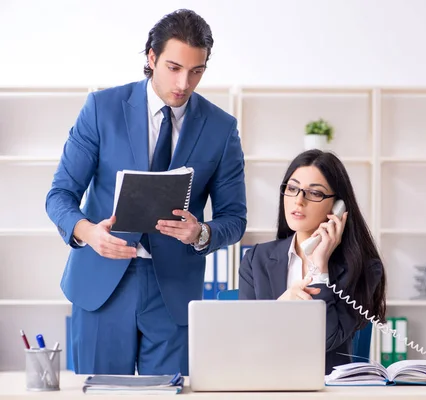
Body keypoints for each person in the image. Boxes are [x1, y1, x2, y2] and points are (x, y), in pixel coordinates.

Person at [45, 9, 246, 375]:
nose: (184, 83)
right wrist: (88, 233)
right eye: (174, 67)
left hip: (172, 292)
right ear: (151, 58)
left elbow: (235, 218)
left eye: (196, 71)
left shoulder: (221, 128)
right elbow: (59, 195)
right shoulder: (101, 109)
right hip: (102, 283)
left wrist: (201, 233)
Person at [238, 149, 387, 374]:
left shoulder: (364, 268)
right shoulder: (255, 259)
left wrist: (320, 269)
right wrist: (280, 307)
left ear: (338, 207)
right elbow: (245, 341)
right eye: (292, 188)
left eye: (315, 193)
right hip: (266, 383)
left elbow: (328, 339)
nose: (299, 200)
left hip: (327, 390)